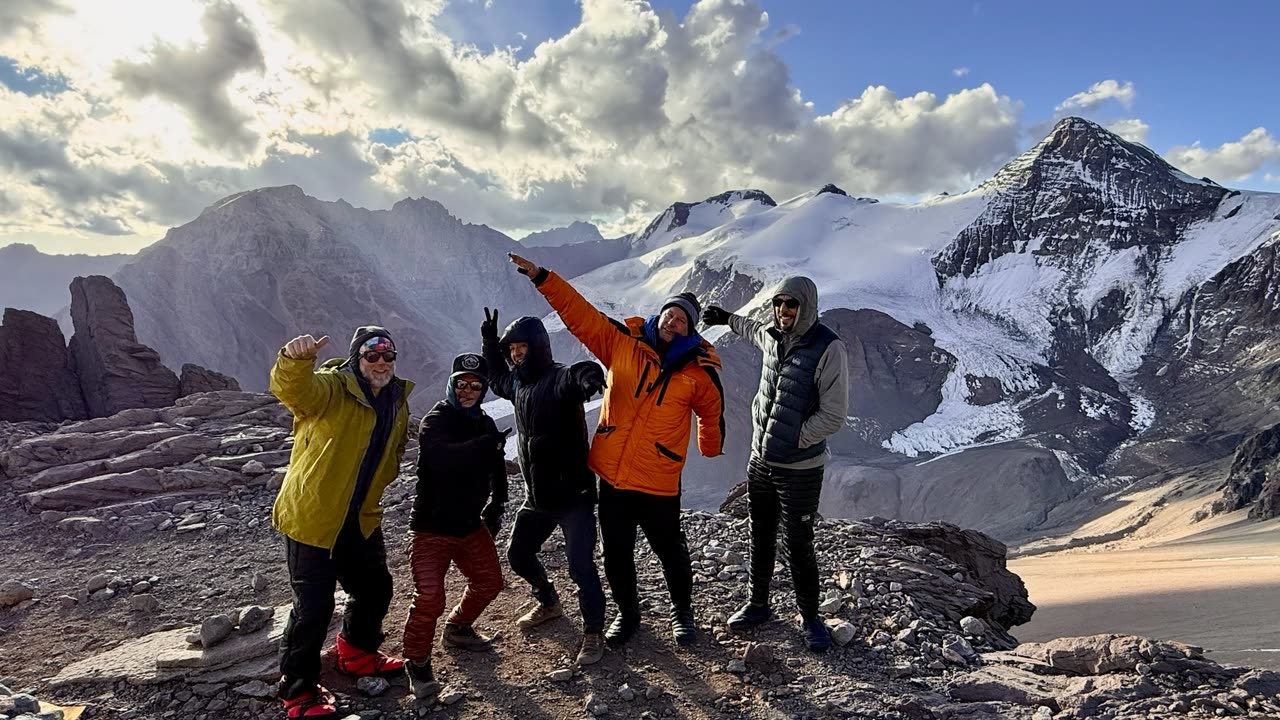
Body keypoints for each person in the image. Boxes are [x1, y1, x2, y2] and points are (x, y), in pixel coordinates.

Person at [507, 252, 725, 649]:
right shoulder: (622, 343)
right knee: (616, 553)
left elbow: (712, 411)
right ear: (660, 315)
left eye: (683, 318)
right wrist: (544, 279)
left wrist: (709, 445)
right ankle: (628, 614)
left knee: (670, 550)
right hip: (613, 476)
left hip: (658, 480)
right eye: (670, 313)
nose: (674, 321)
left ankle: (682, 613)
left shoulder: (699, 371)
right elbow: (582, 315)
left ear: (691, 328)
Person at [269, 328, 413, 718]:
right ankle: (297, 692)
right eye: (371, 355)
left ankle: (356, 654)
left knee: (375, 588)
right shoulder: (333, 388)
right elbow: (295, 392)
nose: (381, 361)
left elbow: (395, 448)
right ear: (356, 358)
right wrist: (295, 360)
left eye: (388, 354)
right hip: (313, 516)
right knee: (313, 608)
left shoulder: (396, 399)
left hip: (359, 516)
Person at [702, 276, 849, 653]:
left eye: (792, 305)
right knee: (760, 533)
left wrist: (793, 441)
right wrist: (724, 317)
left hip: (800, 468)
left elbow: (833, 415)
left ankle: (811, 617)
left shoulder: (828, 348)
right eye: (779, 303)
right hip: (761, 461)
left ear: (806, 307)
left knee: (798, 542)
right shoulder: (771, 335)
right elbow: (751, 329)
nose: (784, 311)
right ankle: (758, 604)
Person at [480, 308, 609, 665]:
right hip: (538, 498)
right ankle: (548, 601)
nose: (515, 354)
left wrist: (590, 379)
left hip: (574, 499)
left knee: (581, 567)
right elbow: (496, 378)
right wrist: (491, 344)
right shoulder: (518, 384)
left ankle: (593, 632)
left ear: (538, 346)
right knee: (518, 553)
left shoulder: (560, 378)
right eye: (512, 350)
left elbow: (581, 372)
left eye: (521, 347)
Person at [402, 353, 510, 699]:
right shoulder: (437, 419)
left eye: (475, 386)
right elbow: (441, 457)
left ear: (483, 390)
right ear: (452, 385)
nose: (467, 391)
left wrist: (498, 501)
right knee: (430, 598)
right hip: (431, 527)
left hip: (468, 525)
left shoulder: (484, 423)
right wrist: (484, 445)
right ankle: (417, 662)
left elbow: (496, 466)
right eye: (462, 384)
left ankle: (458, 626)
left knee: (489, 582)